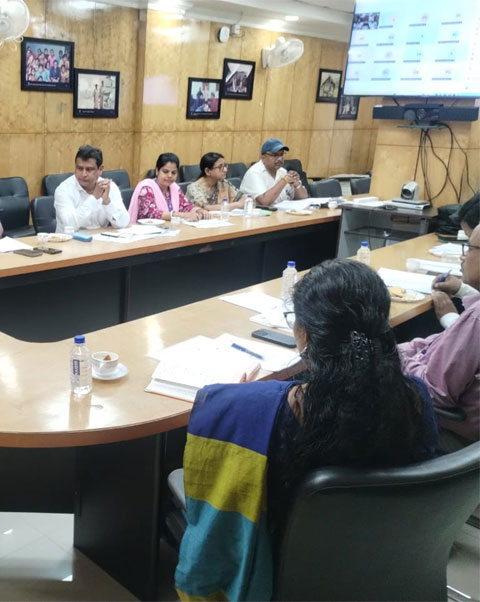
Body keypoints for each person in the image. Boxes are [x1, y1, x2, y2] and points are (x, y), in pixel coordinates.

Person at [175, 259, 437, 600]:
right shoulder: (416, 399)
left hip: (281, 573)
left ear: (305, 335)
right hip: (385, 567)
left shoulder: (255, 408)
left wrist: (242, 399)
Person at [398, 224, 480, 451]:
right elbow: (441, 342)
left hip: (450, 435)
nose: (464, 256)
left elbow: (433, 393)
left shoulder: (476, 319)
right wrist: (401, 350)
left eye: (470, 248)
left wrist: (393, 359)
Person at [54, 145, 129, 233]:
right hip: (70, 240)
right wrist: (94, 197)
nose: (84, 174)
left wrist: (107, 202)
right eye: (79, 168)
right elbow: (70, 225)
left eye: (89, 169)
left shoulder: (109, 187)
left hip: (100, 240)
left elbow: (123, 223)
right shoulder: (64, 190)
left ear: (100, 170)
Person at [128, 153, 206, 223]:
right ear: (157, 171)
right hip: (147, 231)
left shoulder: (174, 188)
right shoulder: (146, 188)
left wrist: (198, 210)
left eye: (173, 173)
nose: (169, 175)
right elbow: (150, 213)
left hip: (169, 228)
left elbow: (184, 206)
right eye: (165, 172)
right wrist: (182, 215)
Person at [240, 138, 309, 206]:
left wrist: (297, 184)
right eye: (275, 155)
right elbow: (264, 201)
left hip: (282, 212)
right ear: (263, 157)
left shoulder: (283, 172)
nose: (280, 159)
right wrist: (284, 180)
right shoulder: (254, 173)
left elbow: (303, 198)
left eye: (281, 154)